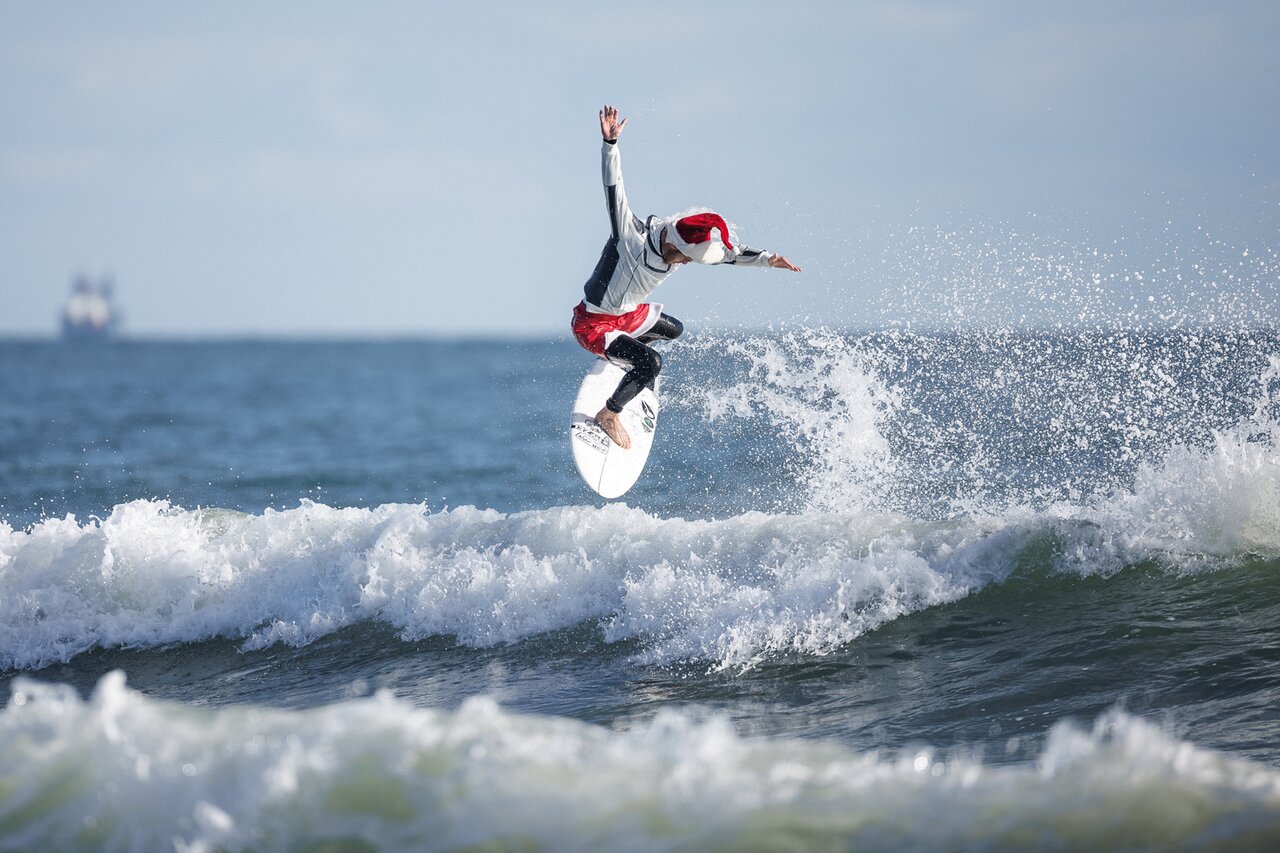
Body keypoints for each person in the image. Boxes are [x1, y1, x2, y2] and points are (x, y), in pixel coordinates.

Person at [571, 104, 801, 449]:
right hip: (594, 324)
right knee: (652, 363)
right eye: (685, 259)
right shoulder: (629, 235)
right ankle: (610, 413)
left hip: (626, 315)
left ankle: (626, 361)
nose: (687, 264)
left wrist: (770, 260)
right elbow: (613, 186)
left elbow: (731, 255)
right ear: (673, 244)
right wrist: (611, 144)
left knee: (673, 329)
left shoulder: (684, 245)